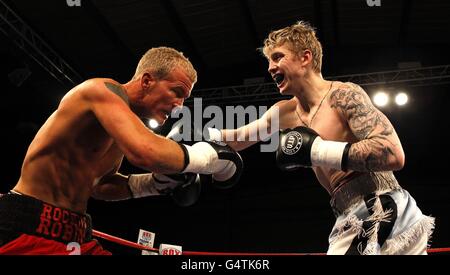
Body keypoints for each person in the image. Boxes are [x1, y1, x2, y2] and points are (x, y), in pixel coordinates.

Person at [207, 21, 435, 255]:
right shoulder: (284, 113)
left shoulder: (343, 95)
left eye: (277, 57)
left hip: (380, 207)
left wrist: (316, 151)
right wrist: (195, 137)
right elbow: (237, 138)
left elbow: (391, 153)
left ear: (305, 58)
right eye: (269, 61)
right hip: (350, 212)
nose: (270, 68)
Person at [0, 47, 242, 255]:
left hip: (76, 231)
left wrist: (154, 185)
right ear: (147, 81)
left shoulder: (123, 126)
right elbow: (146, 151)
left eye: (184, 98)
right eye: (176, 92)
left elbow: (99, 185)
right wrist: (208, 157)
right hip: (26, 223)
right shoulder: (100, 91)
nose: (179, 105)